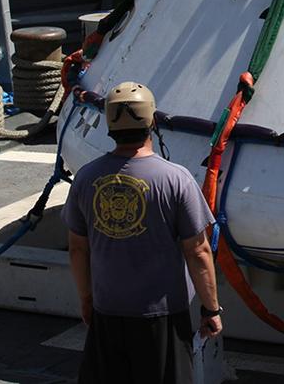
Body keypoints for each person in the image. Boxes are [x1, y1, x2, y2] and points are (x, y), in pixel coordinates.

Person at [64, 82, 222, 384]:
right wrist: (211, 309)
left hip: (107, 312)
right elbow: (198, 251)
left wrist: (86, 298)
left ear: (110, 125)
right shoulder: (176, 180)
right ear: (152, 121)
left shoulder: (85, 178)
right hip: (163, 318)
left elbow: (77, 249)